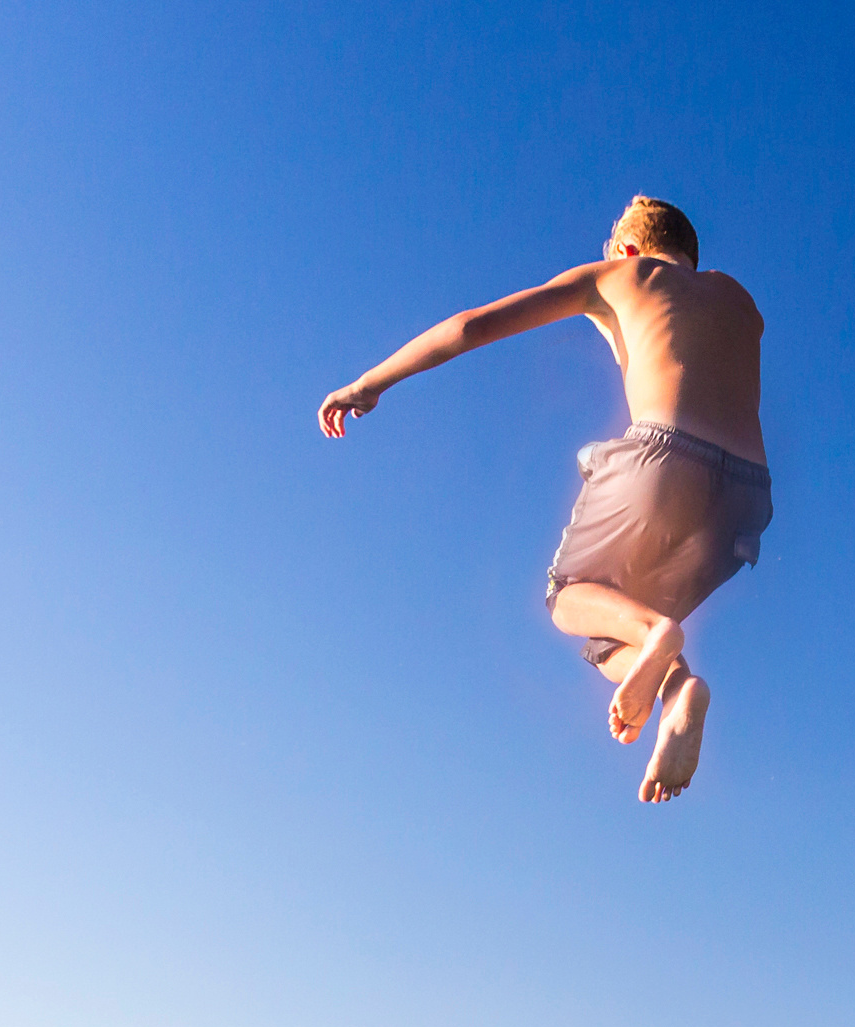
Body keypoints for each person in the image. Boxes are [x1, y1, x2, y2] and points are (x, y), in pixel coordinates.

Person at [319, 196, 770, 803]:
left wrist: (368, 383)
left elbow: (468, 327)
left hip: (663, 459)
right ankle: (678, 693)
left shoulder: (620, 275)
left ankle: (662, 641)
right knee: (611, 634)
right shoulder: (740, 300)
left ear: (628, 249)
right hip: (745, 500)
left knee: (568, 596)